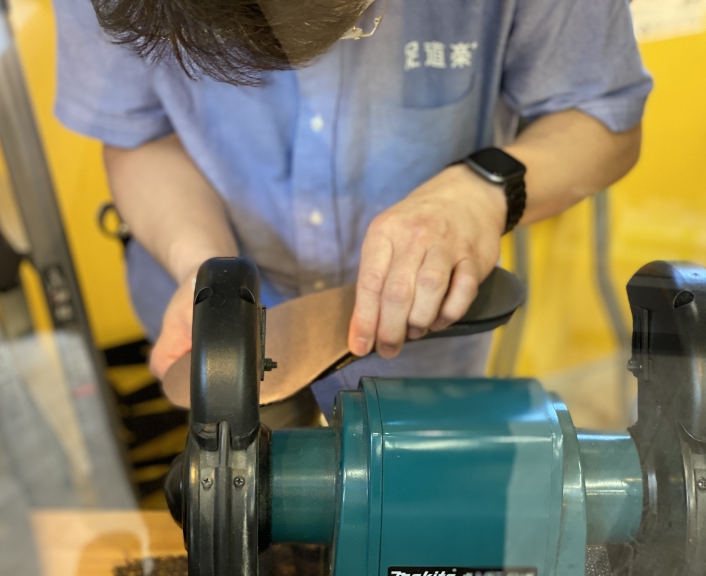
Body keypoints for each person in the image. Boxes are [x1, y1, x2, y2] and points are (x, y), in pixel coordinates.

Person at [53, 0, 651, 417]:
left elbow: (600, 115)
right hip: (210, 337)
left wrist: (480, 191)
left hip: (423, 345)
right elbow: (141, 135)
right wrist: (203, 268)